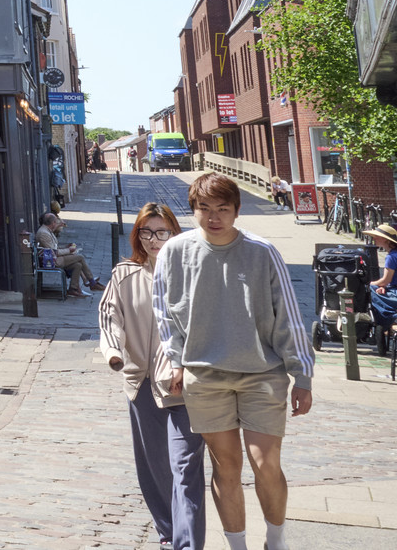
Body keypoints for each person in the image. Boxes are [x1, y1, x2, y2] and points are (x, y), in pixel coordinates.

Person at [154, 172, 313, 550]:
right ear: (193, 210)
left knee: (265, 463)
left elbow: (288, 316)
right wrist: (176, 360)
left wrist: (301, 374)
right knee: (226, 467)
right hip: (205, 377)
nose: (213, 217)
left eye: (222, 209)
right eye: (204, 208)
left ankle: (275, 541)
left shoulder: (262, 252)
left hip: (262, 374)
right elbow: (164, 314)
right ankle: (237, 545)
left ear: (236, 211)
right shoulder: (175, 252)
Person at [99, 202, 205, 550]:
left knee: (185, 469)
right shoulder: (124, 275)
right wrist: (113, 351)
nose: (153, 240)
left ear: (175, 233)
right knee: (155, 469)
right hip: (141, 383)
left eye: (161, 232)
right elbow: (109, 315)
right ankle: (168, 534)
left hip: (184, 384)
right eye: (146, 232)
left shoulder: (192, 273)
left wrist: (187, 365)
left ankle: (187, 544)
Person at [37, 212, 104, 298]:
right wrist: (69, 250)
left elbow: (54, 247)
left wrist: (65, 247)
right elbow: (54, 252)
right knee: (80, 257)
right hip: (51, 261)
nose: (57, 223)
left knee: (78, 265)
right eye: (56, 222)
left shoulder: (47, 230)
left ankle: (73, 289)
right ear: (52, 223)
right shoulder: (43, 233)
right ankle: (91, 282)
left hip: (53, 257)